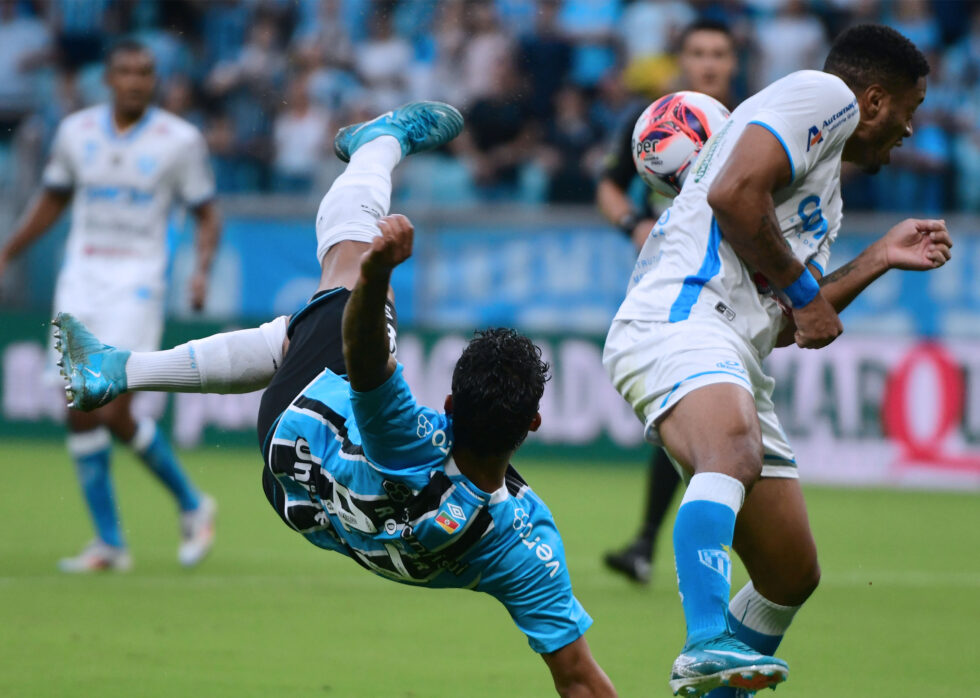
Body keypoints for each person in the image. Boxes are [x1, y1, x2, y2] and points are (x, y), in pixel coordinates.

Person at [54, 101, 618, 698]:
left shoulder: (408, 437)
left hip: (303, 428)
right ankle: (119, 369)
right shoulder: (525, 548)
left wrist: (377, 275)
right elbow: (579, 680)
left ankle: (380, 143)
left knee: (344, 275)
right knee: (299, 330)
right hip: (298, 497)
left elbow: (368, 356)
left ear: (448, 405)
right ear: (534, 421)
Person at [603, 25, 950, 696]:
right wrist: (802, 293)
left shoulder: (825, 196)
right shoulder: (820, 93)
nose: (909, 130)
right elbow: (731, 195)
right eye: (910, 109)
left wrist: (878, 257)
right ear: (874, 100)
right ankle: (706, 643)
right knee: (731, 450)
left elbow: (795, 323)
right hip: (680, 315)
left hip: (736, 342)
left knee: (791, 572)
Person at [0, 40, 221, 572]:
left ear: (155, 80)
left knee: (113, 405)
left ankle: (191, 503)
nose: (135, 81)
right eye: (125, 72)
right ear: (110, 79)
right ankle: (112, 543)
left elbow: (207, 213)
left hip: (137, 283)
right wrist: (8, 250)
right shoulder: (76, 132)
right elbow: (54, 196)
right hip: (81, 280)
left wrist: (200, 270)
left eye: (144, 73)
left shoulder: (180, 141)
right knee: (79, 407)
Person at [597, 19, 738, 585]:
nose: (708, 63)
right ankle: (662, 546)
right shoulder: (655, 121)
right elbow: (608, 184)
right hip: (675, 289)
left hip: (735, 291)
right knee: (690, 411)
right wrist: (634, 223)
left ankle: (654, 544)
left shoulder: (755, 122)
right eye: (698, 52)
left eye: (719, 52)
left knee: (710, 423)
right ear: (682, 60)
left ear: (733, 62)